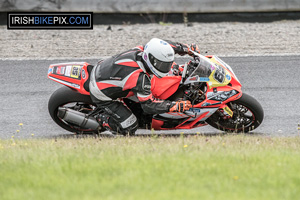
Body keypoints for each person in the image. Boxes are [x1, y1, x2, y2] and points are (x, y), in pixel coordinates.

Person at [89, 38, 200, 135]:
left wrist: (185, 48)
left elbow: (165, 46)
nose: (166, 68)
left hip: (103, 69)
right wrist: (174, 106)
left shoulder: (141, 50)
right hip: (101, 92)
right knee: (130, 127)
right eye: (161, 64)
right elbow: (148, 105)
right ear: (150, 59)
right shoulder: (140, 78)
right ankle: (101, 119)